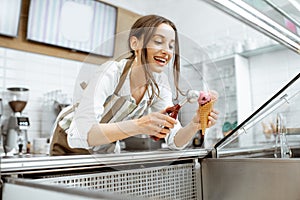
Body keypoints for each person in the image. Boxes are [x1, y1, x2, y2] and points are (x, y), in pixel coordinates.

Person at [50, 14, 219, 156]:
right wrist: (139, 125)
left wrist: (195, 124)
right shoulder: (110, 72)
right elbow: (80, 135)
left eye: (171, 46)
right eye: (158, 41)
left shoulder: (160, 85)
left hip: (104, 148)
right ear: (135, 44)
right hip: (67, 142)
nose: (167, 51)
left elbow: (174, 140)